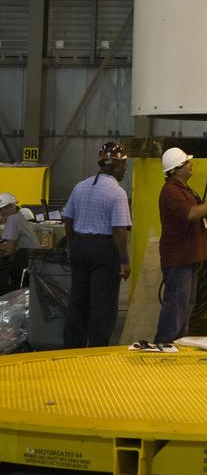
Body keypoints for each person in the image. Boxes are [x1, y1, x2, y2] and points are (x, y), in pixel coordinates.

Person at [153, 147, 207, 345]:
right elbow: (190, 214)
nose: (190, 164)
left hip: (189, 258)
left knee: (186, 304)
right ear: (177, 169)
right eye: (187, 163)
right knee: (177, 303)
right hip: (179, 259)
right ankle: (165, 342)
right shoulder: (171, 192)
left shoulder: (182, 190)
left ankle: (178, 342)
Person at [62, 141, 132, 348]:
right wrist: (124, 261)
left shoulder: (80, 186)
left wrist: (73, 246)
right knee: (103, 302)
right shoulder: (117, 193)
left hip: (80, 246)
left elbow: (68, 221)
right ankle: (97, 348)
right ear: (116, 166)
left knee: (78, 299)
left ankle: (72, 346)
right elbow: (119, 230)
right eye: (124, 166)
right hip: (103, 249)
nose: (125, 170)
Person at [0, 192, 42, 293]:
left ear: (11, 207)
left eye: (3, 209)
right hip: (32, 261)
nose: (1, 212)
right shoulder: (19, 217)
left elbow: (9, 250)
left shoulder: (12, 219)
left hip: (23, 263)